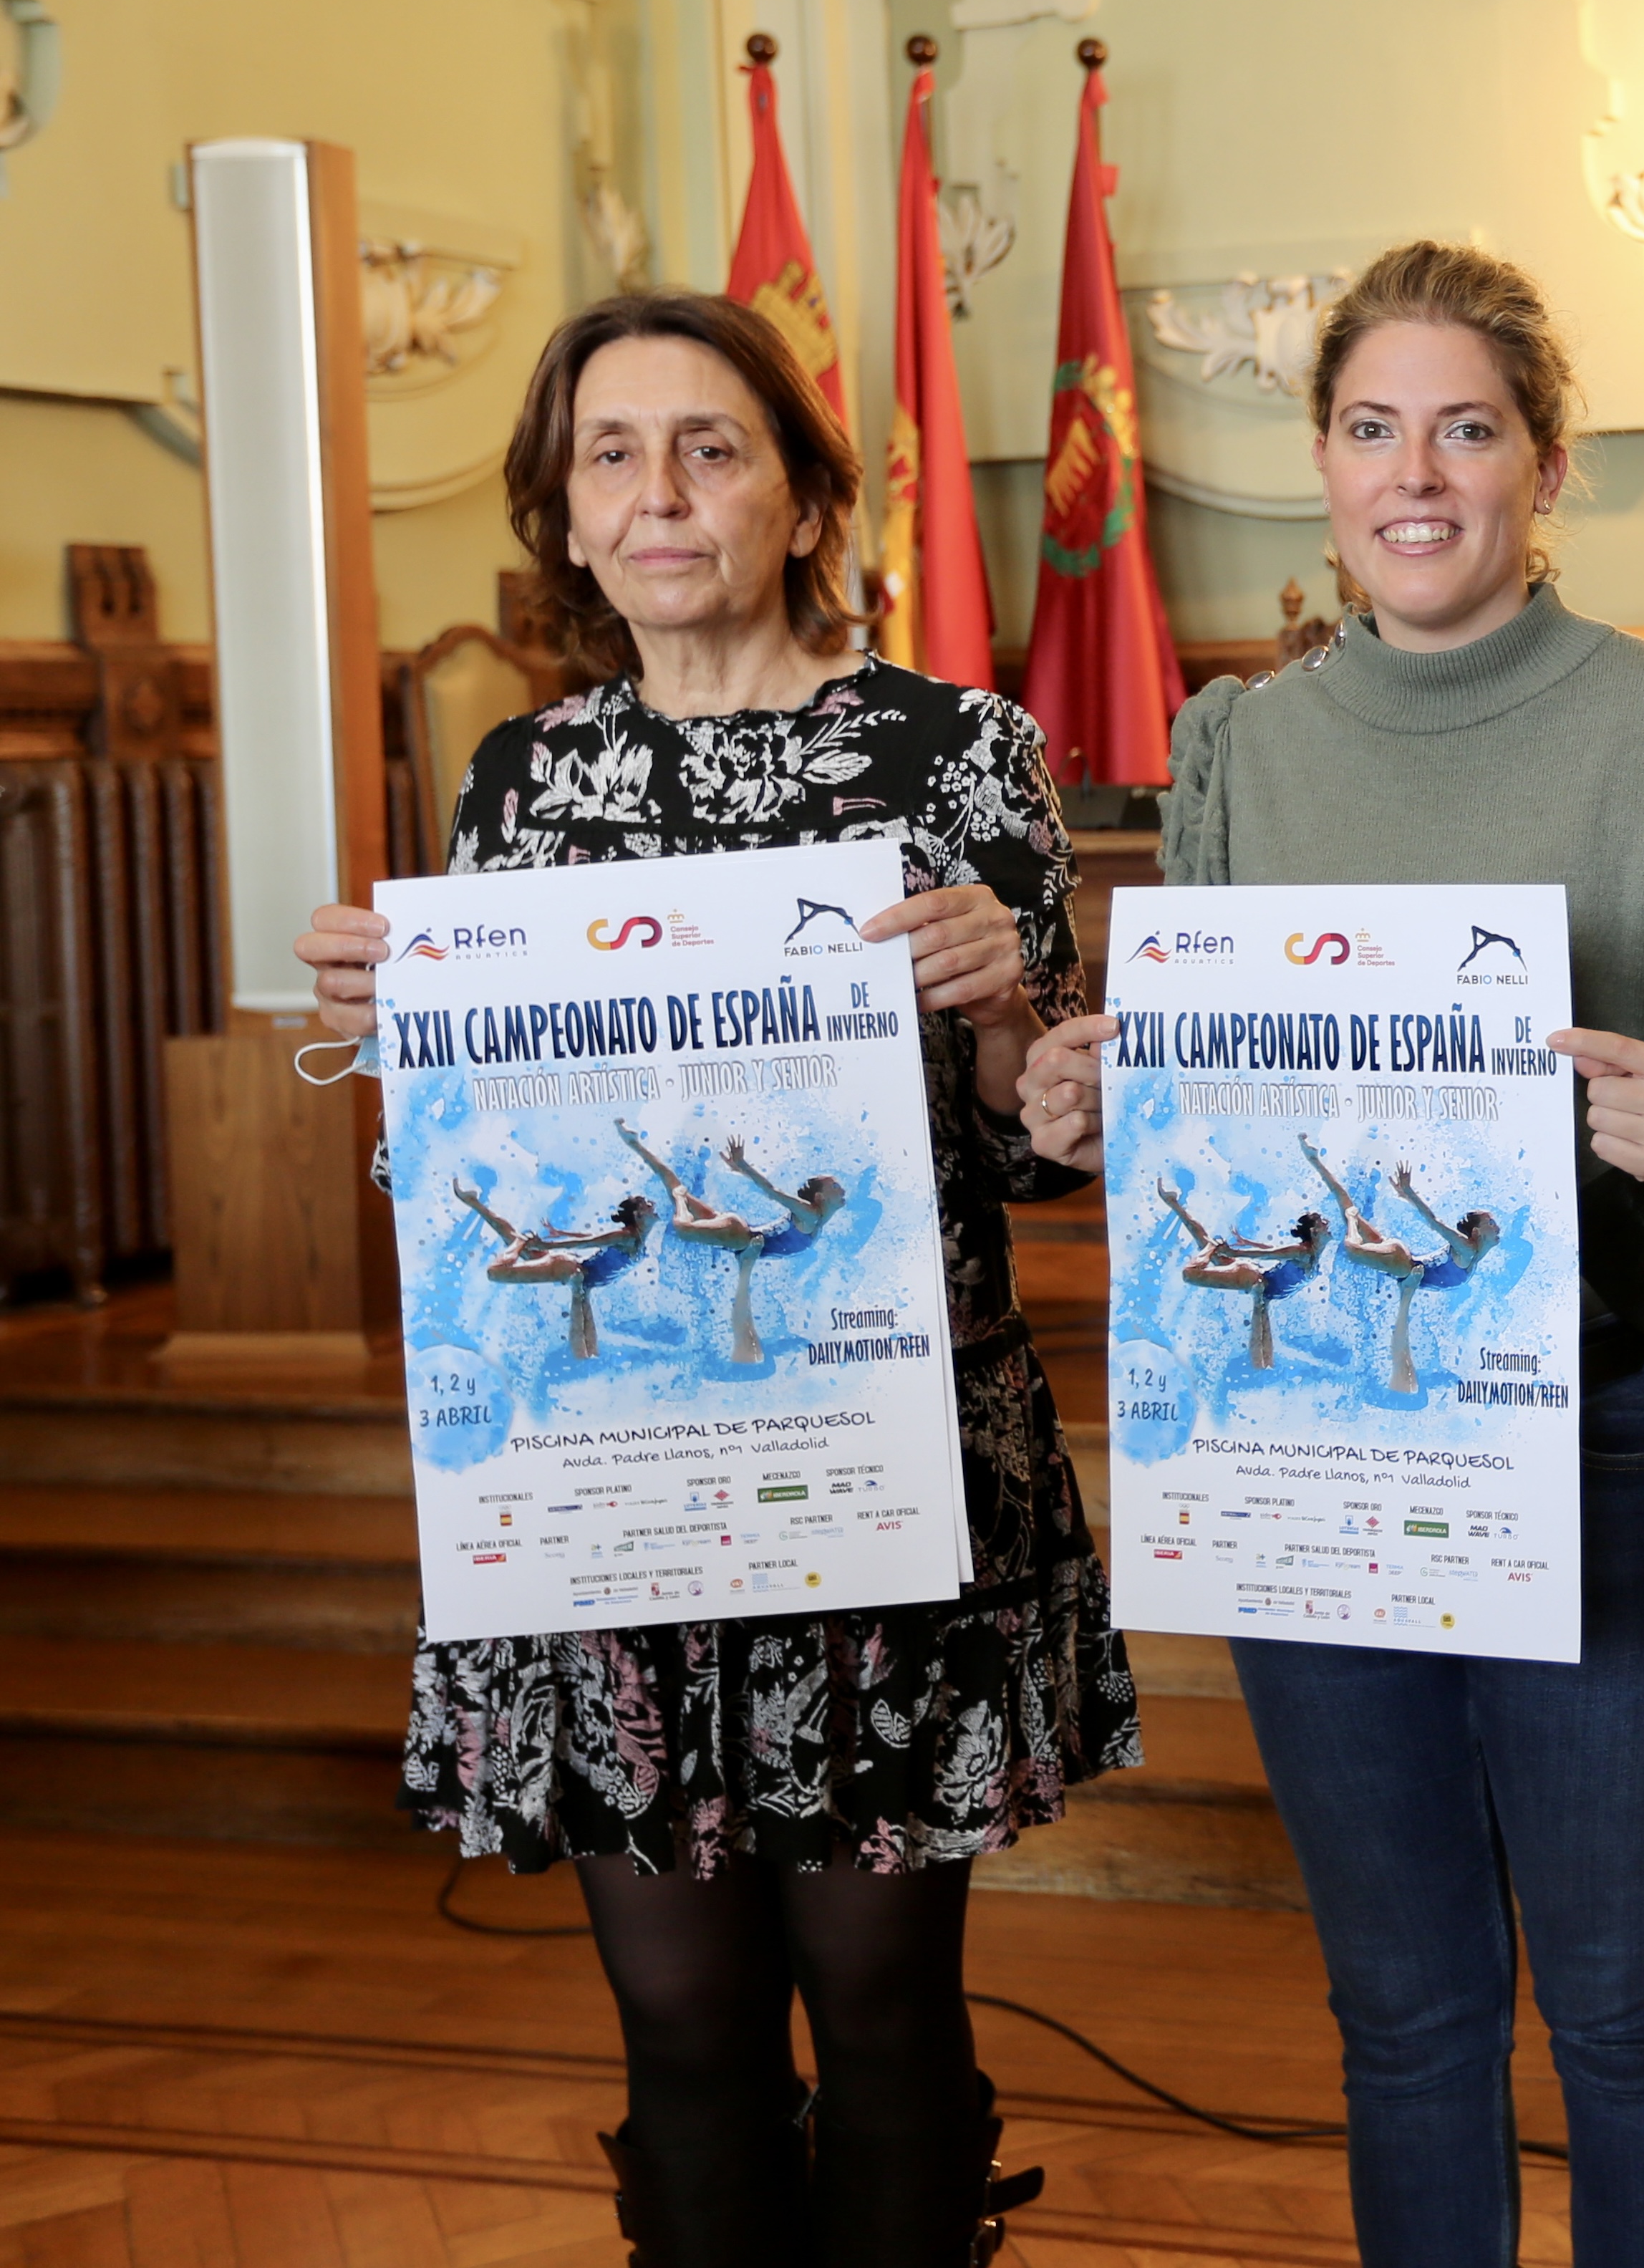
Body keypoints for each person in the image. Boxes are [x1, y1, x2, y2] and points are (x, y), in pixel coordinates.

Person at [294, 288, 1136, 2265]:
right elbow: (489, 1163)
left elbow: (1038, 1139)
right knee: (674, 2014)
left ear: (801, 490)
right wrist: (396, 1025)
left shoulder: (954, 751)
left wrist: (1014, 1003)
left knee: (881, 2001)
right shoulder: (515, 784)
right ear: (566, 514)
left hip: (881, 1473)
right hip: (608, 1480)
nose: (659, 487)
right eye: (612, 450)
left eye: (711, 443)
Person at [1014, 241, 1644, 2268]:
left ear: (1544, 463)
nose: (1419, 474)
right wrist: (1103, 1104)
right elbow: (1210, 1130)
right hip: (1319, 1452)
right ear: (1321, 463)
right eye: (1374, 428)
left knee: (1625, 2014)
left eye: (1468, 427)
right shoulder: (1238, 752)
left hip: (1616, 1444)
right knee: (1404, 2015)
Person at [619, 1121, 851, 1366]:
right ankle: (678, 1202)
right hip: (738, 1235)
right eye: (835, 1186)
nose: (842, 1189)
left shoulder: (817, 1221)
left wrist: (742, 1170)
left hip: (738, 1236)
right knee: (682, 1225)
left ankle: (634, 1144)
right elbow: (772, 1191)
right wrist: (743, 1166)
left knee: (677, 1187)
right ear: (820, 1197)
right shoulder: (810, 1214)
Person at [1311, 1148, 1494, 1399]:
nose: (1497, 1227)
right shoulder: (1466, 1248)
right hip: (1402, 1263)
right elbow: (1434, 1221)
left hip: (1402, 1264)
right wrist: (1409, 1193)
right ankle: (1352, 1220)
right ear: (1476, 1233)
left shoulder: (1473, 1255)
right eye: (1490, 1223)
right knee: (1352, 1246)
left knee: (1347, 1207)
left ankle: (1314, 1160)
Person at [454, 1181, 656, 1362]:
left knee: (589, 1347)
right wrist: (546, 1245)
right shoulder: (626, 1237)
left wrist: (561, 1234)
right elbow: (587, 1242)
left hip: (581, 1274)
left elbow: (592, 1236)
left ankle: (475, 1203)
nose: (653, 1205)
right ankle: (521, 1241)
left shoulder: (636, 1239)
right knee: (495, 1273)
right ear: (638, 1215)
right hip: (569, 1268)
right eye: (647, 1204)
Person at [1164, 1183, 1333, 1371]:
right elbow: (1270, 1255)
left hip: (1260, 1283)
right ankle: (1209, 1246)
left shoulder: (1311, 1256)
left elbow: (1272, 1250)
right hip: (1253, 1278)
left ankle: (1174, 1203)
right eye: (1323, 1223)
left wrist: (1246, 1243)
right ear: (1314, 1232)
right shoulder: (1302, 1252)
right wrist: (1234, 1253)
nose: (1328, 1224)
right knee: (1190, 1274)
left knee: (1264, 1337)